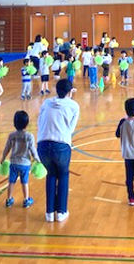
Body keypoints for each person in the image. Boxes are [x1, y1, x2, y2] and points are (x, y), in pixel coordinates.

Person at [37, 79, 80, 222]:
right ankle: (61, 212)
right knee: (63, 175)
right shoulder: (73, 105)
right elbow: (71, 129)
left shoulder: (46, 103)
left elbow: (39, 122)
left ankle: (49, 212)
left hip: (42, 144)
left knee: (51, 174)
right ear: (70, 91)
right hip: (61, 145)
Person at [0, 111, 40, 208]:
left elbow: (7, 148)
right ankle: (26, 200)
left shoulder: (12, 136)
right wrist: (38, 159)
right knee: (24, 182)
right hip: (25, 164)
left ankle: (9, 200)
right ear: (27, 124)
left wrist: (3, 157)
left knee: (11, 182)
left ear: (14, 123)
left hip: (13, 163)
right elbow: (33, 149)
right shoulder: (29, 136)